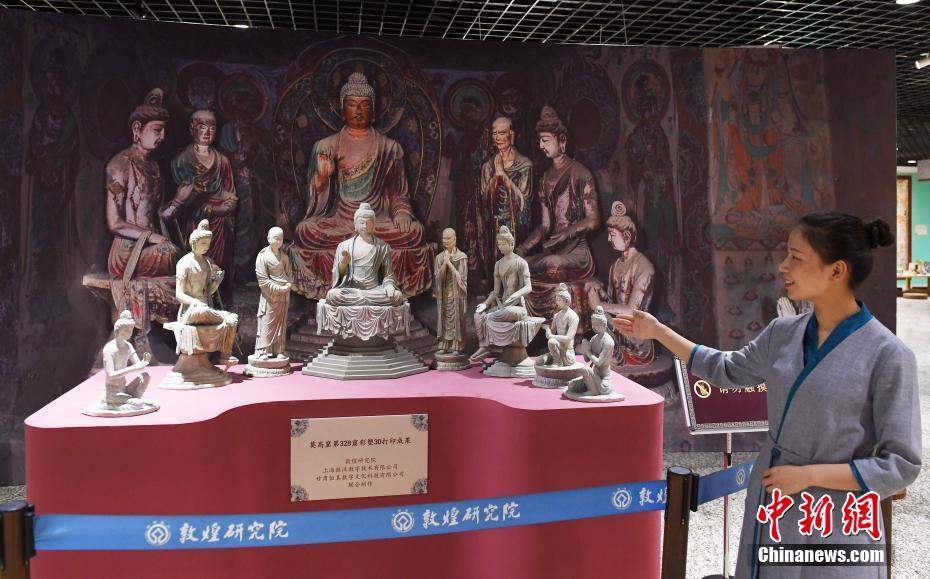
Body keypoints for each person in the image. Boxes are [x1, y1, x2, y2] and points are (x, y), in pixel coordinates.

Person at [613, 211, 921, 578]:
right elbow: (725, 370)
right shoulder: (782, 333)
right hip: (773, 502)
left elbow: (901, 465)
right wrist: (659, 332)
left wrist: (808, 476)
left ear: (836, 271)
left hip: (836, 518)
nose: (782, 266)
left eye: (796, 257)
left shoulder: (888, 355)